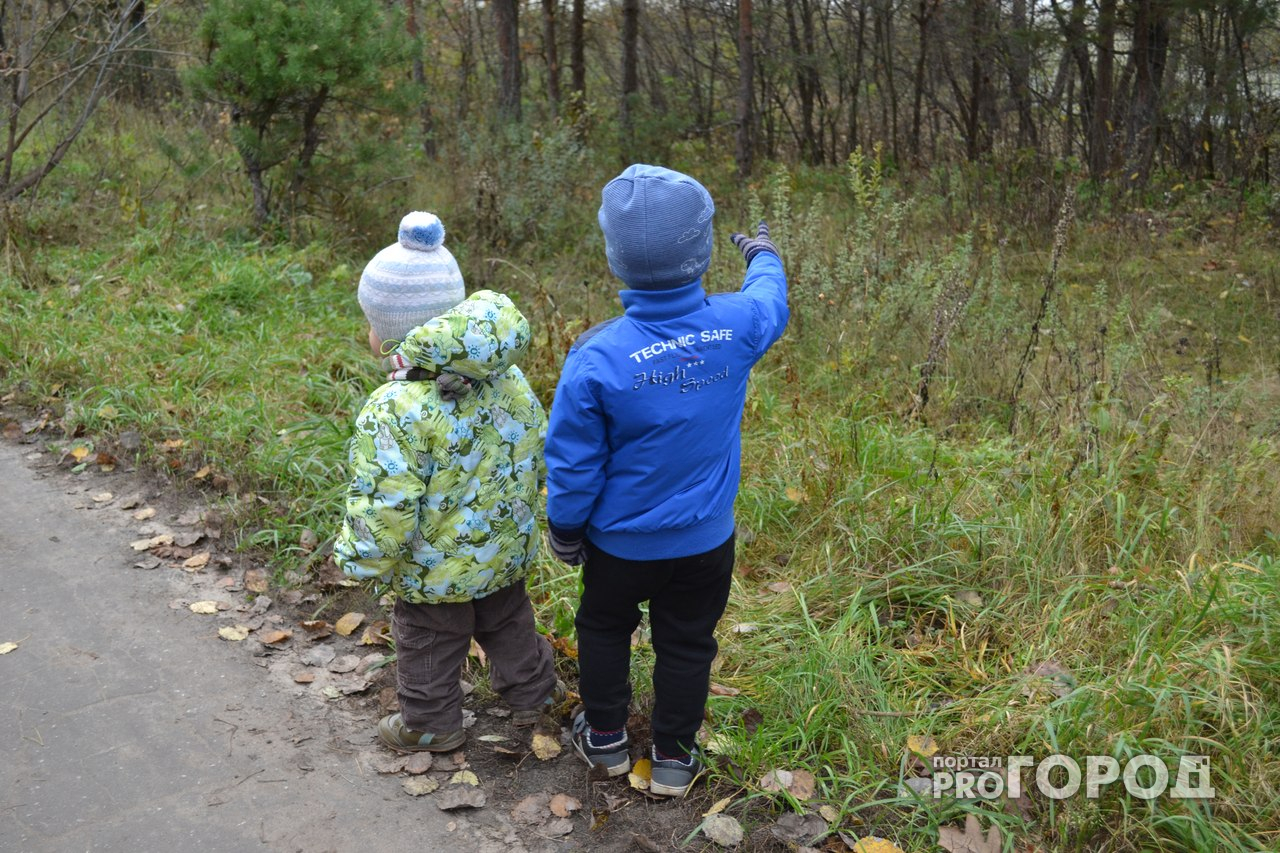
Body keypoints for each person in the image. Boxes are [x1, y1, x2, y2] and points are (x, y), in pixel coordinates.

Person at [544, 165, 789, 797]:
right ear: (703, 249)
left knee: (602, 628)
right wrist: (763, 254)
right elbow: (770, 298)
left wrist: (566, 528)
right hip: (706, 543)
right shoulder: (737, 326)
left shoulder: (597, 355)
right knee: (687, 644)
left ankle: (605, 744)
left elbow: (573, 461)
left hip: (619, 545)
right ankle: (675, 759)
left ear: (614, 258)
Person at [334, 211, 559, 753]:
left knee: (428, 637)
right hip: (503, 548)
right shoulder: (507, 378)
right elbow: (533, 447)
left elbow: (385, 498)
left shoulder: (395, 406)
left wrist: (360, 557)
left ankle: (431, 723)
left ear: (392, 336)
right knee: (508, 618)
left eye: (371, 322)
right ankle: (532, 693)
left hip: (433, 567)